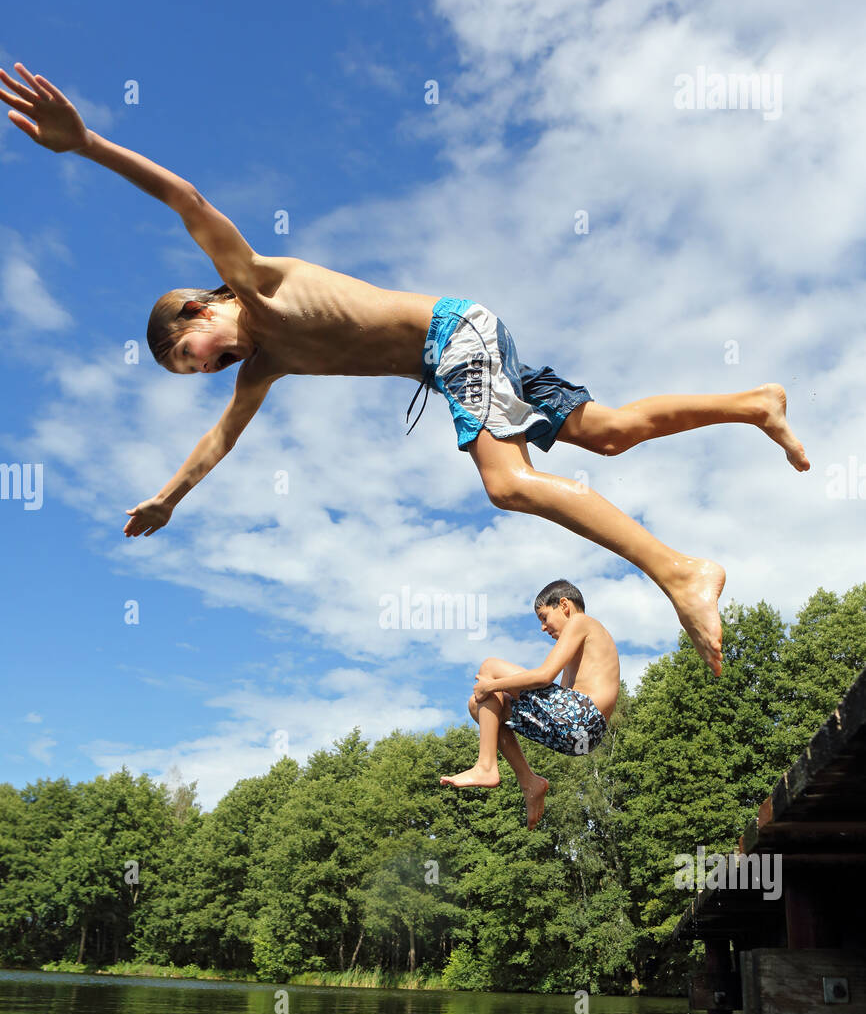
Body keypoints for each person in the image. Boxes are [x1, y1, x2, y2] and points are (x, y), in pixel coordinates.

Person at [1, 62, 811, 676]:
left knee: (505, 483)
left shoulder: (253, 281)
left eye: (193, 358)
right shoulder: (264, 366)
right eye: (196, 376)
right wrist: (170, 499)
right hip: (461, 350)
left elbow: (188, 200)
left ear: (197, 309)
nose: (209, 372)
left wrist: (90, 144)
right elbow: (221, 441)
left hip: (452, 337)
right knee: (605, 433)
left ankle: (681, 571)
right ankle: (755, 403)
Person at [440, 580, 620, 829]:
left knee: (490, 667)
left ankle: (485, 766)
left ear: (565, 605)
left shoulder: (581, 622)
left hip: (582, 718)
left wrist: (492, 684)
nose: (543, 628)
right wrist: (495, 693)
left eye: (544, 617)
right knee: (481, 707)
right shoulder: (576, 656)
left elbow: (545, 676)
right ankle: (530, 782)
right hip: (579, 739)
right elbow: (554, 697)